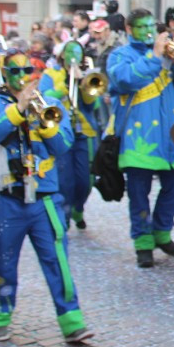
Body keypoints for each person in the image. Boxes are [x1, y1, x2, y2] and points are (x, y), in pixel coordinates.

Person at [0, 49, 94, 344]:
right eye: (14, 71)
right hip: (4, 198)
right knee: (2, 262)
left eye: (26, 70)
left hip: (45, 198)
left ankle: (72, 321)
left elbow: (64, 144)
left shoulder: (51, 104)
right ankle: (0, 314)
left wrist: (44, 121)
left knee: (58, 260)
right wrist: (17, 109)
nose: (21, 76)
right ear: (5, 74)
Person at [107, 8, 174, 268]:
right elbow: (126, 80)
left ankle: (161, 230)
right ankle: (143, 242)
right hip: (139, 137)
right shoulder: (120, 56)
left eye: (151, 25)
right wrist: (155, 55)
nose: (148, 31)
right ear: (128, 29)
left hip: (173, 135)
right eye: (142, 26)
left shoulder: (169, 52)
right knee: (138, 192)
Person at [39, 40, 101, 229]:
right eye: (70, 52)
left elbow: (94, 105)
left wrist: (83, 84)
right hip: (61, 132)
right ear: (63, 54)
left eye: (78, 53)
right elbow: (44, 97)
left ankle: (78, 208)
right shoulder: (51, 73)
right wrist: (64, 86)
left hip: (84, 132)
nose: (74, 56)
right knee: (65, 179)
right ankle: (64, 214)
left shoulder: (87, 74)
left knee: (86, 179)